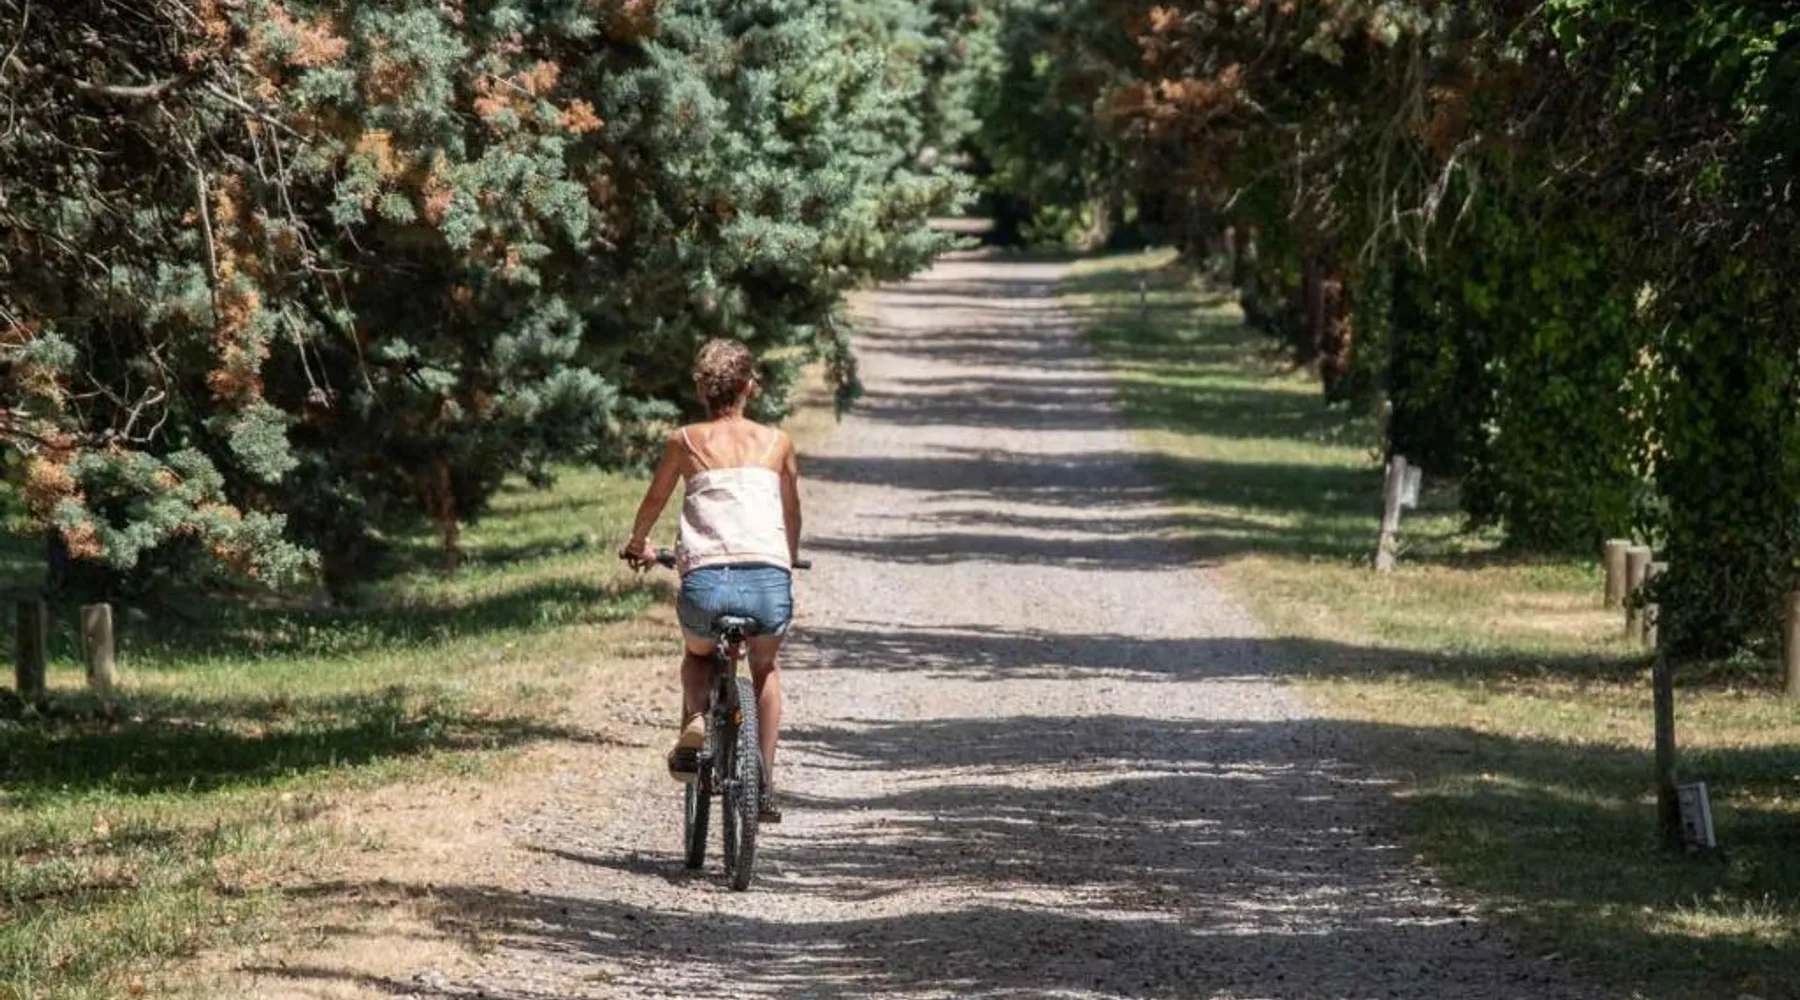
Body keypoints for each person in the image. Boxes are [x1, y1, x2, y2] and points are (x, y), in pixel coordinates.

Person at [622, 338, 801, 821]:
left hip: (706, 584)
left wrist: (638, 542)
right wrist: (789, 556)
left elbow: (655, 500)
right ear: (749, 387)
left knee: (699, 653)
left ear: (703, 391)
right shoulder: (778, 443)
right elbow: (791, 512)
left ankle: (697, 718)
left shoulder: (684, 441)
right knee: (765, 668)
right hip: (766, 581)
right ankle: (764, 783)